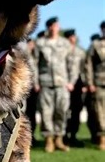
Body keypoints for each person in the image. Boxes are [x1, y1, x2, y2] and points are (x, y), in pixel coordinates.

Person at [33, 17, 76, 152]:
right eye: (52, 25)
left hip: (62, 83)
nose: (55, 28)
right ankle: (49, 141)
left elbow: (72, 63)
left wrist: (71, 81)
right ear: (48, 27)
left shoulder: (65, 43)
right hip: (45, 83)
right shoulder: (40, 43)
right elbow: (34, 64)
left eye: (56, 25)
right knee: (46, 113)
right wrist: (36, 81)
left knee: (62, 111)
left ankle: (59, 139)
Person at [63, 29, 86, 147]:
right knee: (65, 111)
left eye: (73, 36)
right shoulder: (62, 51)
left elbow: (84, 68)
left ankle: (73, 135)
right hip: (64, 83)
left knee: (76, 111)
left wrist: (85, 84)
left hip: (77, 85)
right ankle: (64, 135)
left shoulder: (80, 52)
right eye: (70, 37)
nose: (72, 38)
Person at [84, 21, 105, 150]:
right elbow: (88, 65)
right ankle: (102, 138)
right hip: (99, 83)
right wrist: (90, 83)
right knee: (100, 112)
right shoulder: (95, 45)